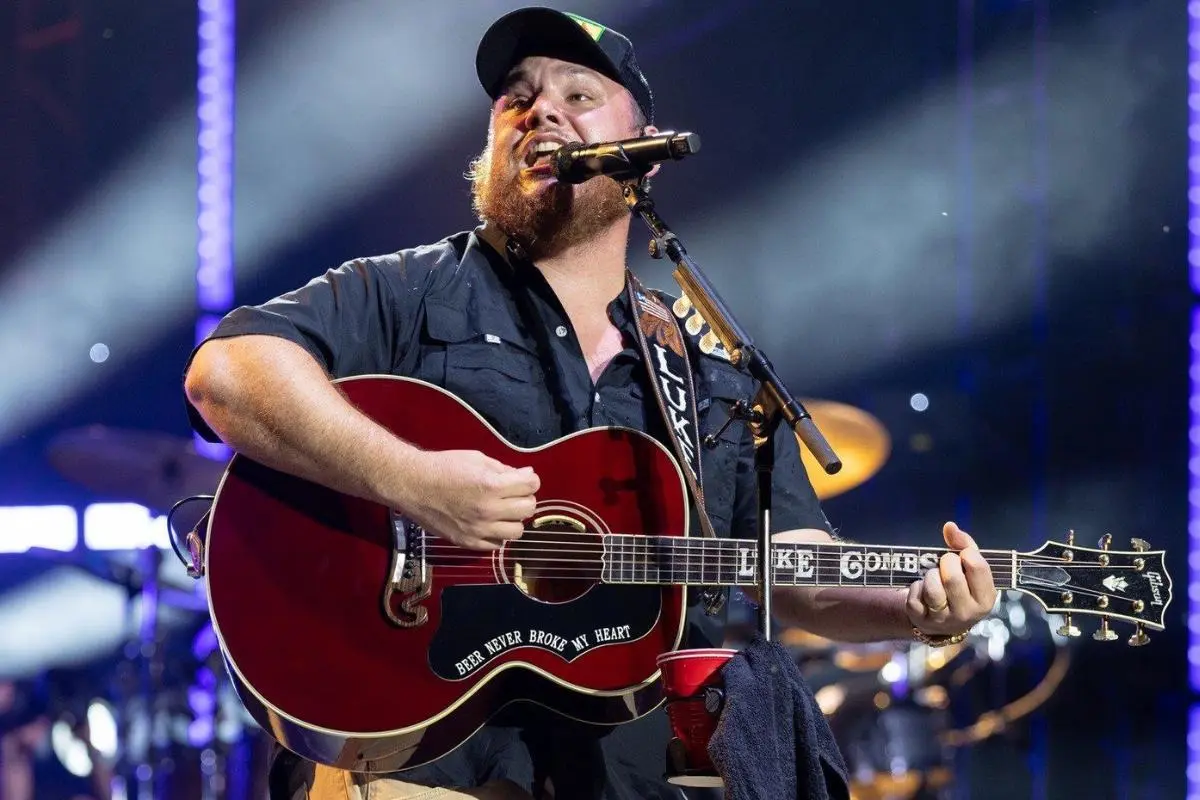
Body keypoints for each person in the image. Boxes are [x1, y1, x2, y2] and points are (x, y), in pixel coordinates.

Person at [182, 8, 997, 799]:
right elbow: (227, 373)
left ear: (642, 158)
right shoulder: (411, 289)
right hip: (415, 757)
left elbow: (797, 572)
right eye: (517, 98)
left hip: (634, 773)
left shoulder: (707, 371)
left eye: (578, 96)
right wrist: (415, 480)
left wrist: (922, 611)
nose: (541, 111)